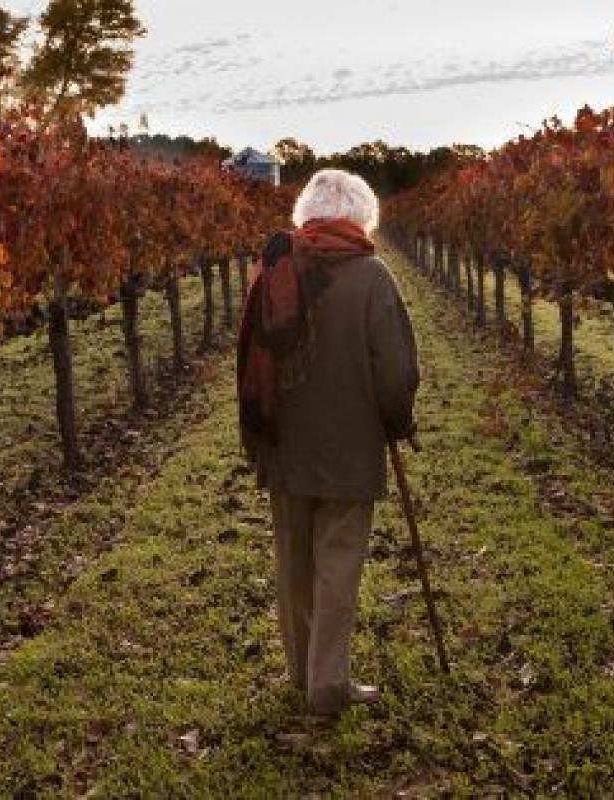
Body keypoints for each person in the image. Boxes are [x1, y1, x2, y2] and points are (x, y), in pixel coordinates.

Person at [237, 169, 420, 717]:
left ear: (308, 214)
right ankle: (328, 684)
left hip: (285, 446)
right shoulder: (373, 277)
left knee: (293, 564)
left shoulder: (276, 268)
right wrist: (397, 422)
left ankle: (301, 672)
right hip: (349, 449)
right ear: (361, 216)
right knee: (337, 565)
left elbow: (249, 356)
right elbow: (396, 372)